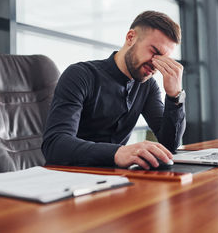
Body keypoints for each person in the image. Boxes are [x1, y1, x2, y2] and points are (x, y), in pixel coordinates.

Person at [42, 10, 186, 170]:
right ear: (131, 38)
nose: (156, 64)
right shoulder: (80, 75)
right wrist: (117, 153)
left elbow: (169, 145)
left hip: (115, 179)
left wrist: (175, 96)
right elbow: (55, 145)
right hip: (68, 176)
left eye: (163, 59)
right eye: (154, 52)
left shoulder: (148, 86)